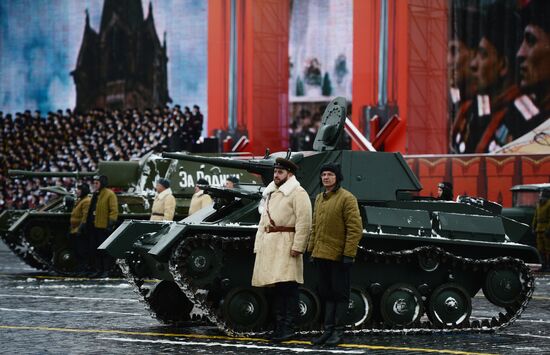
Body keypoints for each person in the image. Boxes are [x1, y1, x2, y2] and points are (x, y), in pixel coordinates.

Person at [251, 158, 312, 342]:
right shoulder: (271, 192)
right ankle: (279, 326)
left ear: (289, 174)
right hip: (271, 244)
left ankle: (288, 327)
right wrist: (258, 244)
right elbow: (263, 222)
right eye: (275, 172)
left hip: (286, 244)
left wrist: (298, 246)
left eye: (280, 172)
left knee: (288, 289)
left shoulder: (298, 193)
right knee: (277, 290)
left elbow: (305, 222)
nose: (276, 175)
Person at [451, 1, 521, 153]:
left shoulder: (518, 118)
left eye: (482, 55)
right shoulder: (474, 110)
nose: (473, 64)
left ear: (502, 65)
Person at [307, 163, 362, 346]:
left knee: (340, 295)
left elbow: (355, 229)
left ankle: (338, 332)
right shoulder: (319, 198)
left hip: (338, 256)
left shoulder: (347, 198)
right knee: (327, 294)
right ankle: (328, 331)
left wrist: (348, 254)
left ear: (337, 177)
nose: (326, 177)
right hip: (321, 255)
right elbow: (315, 226)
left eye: (330, 174)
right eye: (323, 174)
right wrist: (312, 249)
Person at [84, 175, 118, 276]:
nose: (95, 185)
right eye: (94, 183)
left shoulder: (109, 194)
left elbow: (113, 211)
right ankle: (98, 269)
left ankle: (106, 270)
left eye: (97, 183)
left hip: (103, 227)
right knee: (95, 249)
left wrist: (110, 224)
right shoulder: (96, 194)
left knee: (104, 250)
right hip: (94, 226)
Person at [69, 183, 91, 272]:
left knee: (81, 251)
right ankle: (80, 268)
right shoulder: (80, 200)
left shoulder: (86, 201)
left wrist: (80, 228)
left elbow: (85, 217)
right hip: (75, 229)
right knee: (77, 251)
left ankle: (83, 269)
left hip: (80, 229)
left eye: (79, 189)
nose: (77, 191)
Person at [532, 189, 550, 271]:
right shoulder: (538, 204)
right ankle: (544, 265)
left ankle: (548, 266)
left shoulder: (549, 204)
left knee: (548, 249)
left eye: (542, 193)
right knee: (540, 249)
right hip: (539, 230)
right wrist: (533, 226)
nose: (540, 195)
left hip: (546, 230)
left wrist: (548, 229)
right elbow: (535, 217)